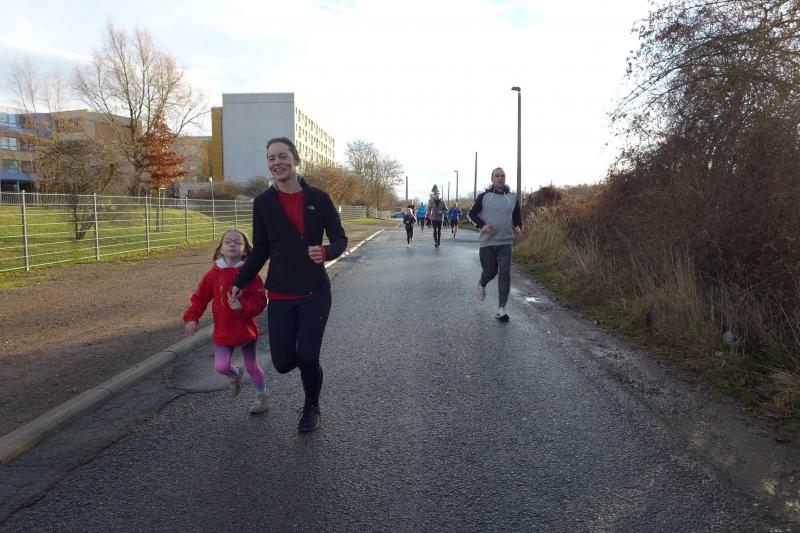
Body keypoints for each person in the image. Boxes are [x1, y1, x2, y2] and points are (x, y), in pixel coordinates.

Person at [230, 137, 348, 433]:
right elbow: (261, 249)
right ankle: (307, 364)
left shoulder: (319, 198)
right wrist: (240, 281)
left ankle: (311, 406)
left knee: (308, 356)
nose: (276, 162)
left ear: (296, 160)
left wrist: (326, 251)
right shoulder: (263, 203)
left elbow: (340, 239)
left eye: (282, 156)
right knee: (283, 363)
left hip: (315, 292)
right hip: (281, 293)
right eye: (271, 158)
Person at [184, 228, 269, 414]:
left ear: (245, 250)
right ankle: (235, 374)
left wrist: (242, 306)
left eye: (238, 242)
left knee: (252, 366)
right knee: (221, 366)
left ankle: (261, 396)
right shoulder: (212, 274)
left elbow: (260, 301)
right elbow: (199, 298)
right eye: (228, 242)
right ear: (221, 249)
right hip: (223, 331)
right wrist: (192, 318)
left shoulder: (250, 275)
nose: (232, 245)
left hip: (245, 330)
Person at [468, 167, 522, 321]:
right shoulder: (484, 197)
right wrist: (482, 225)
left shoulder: (512, 197)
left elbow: (516, 215)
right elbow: (471, 214)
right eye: (497, 176)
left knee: (505, 273)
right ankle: (482, 283)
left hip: (506, 242)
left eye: (502, 175)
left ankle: (501, 309)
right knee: (490, 272)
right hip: (488, 242)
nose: (500, 178)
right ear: (492, 178)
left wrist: (518, 227)